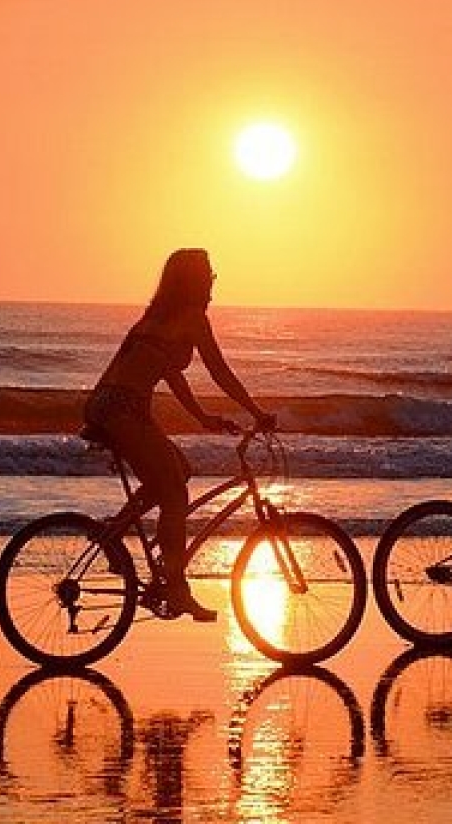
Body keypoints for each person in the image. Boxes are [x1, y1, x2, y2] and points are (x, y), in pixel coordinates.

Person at [83, 248, 275, 622]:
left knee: (179, 471)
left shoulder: (157, 317)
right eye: (208, 276)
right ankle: (176, 588)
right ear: (194, 282)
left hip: (109, 405)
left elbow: (171, 374)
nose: (212, 284)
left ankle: (114, 532)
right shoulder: (192, 318)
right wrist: (256, 412)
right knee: (174, 493)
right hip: (123, 409)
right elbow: (219, 372)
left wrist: (203, 417)